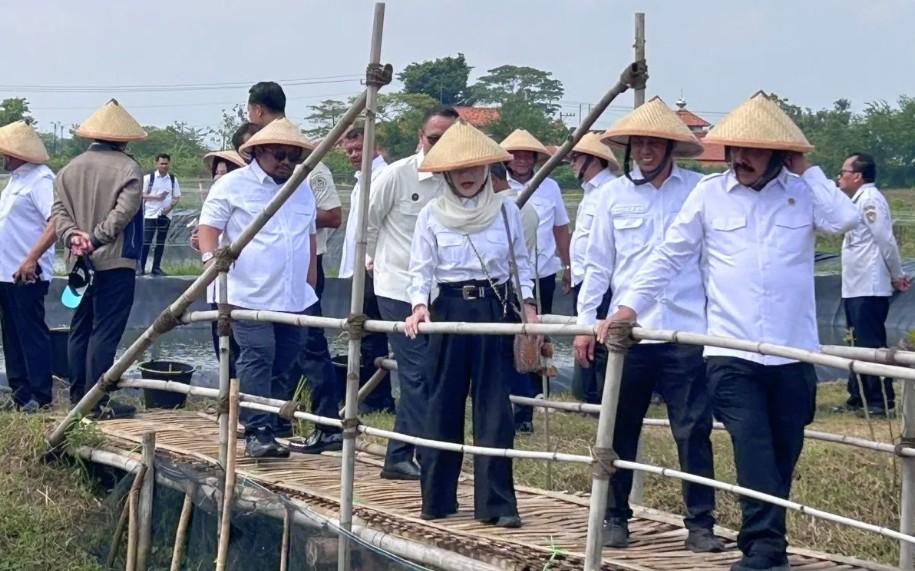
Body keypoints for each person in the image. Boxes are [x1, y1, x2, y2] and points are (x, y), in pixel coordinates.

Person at [606, 92, 859, 571]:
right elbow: (670, 254)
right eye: (734, 150)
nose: (740, 159)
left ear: (779, 155)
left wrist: (807, 168)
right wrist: (627, 307)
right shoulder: (709, 195)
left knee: (785, 449)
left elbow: (844, 220)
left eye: (753, 150)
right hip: (731, 349)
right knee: (752, 444)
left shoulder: (803, 193)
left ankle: (768, 542)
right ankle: (763, 549)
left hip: (792, 351)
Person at [572, 97, 722, 552]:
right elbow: (597, 266)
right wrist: (585, 322)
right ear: (628, 147)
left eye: (654, 142)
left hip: (684, 329)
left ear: (671, 146)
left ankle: (700, 525)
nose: (646, 150)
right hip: (627, 333)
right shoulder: (612, 196)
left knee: (693, 429)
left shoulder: (698, 191)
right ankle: (615, 517)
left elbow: (710, 262)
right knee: (619, 428)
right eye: (638, 142)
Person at [404, 120, 538, 529]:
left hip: (493, 310)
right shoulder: (431, 214)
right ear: (445, 173)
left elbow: (521, 264)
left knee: (495, 409)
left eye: (475, 169)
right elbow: (420, 269)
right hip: (446, 311)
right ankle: (438, 500)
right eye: (459, 170)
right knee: (441, 404)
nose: (467, 177)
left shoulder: (505, 210)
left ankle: (497, 505)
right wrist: (418, 306)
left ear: (486, 172)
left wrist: (529, 308)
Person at [198, 118, 329, 458]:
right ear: (256, 152)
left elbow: (309, 240)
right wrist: (212, 263)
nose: (286, 161)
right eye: (278, 155)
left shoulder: (301, 189)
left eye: (293, 156)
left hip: (292, 295)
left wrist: (310, 285)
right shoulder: (232, 185)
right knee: (258, 354)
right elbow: (208, 228)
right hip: (246, 291)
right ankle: (259, 432)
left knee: (285, 358)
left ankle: (262, 419)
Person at [244, 82, 345, 448]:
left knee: (310, 347)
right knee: (279, 352)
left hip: (304, 269)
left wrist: (286, 216)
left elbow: (333, 215)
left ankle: (328, 425)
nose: (284, 160)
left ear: (256, 110)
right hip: (269, 275)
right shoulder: (259, 170)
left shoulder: (307, 168)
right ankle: (276, 422)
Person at [364, 105, 458, 480]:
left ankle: (408, 452)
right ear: (421, 137)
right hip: (397, 287)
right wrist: (372, 260)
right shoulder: (397, 176)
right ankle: (406, 455)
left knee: (435, 373)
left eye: (449, 140)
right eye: (434, 138)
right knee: (418, 373)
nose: (439, 146)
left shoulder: (459, 179)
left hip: (439, 291)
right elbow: (367, 223)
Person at [52, 99, 147, 419]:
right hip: (114, 260)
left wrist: (73, 238)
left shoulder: (68, 169)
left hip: (78, 262)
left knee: (80, 326)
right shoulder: (129, 168)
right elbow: (124, 212)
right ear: (122, 138)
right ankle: (97, 401)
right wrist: (95, 239)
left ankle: (78, 396)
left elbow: (59, 213)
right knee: (105, 330)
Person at [500, 129, 571, 432]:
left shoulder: (550, 187)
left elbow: (560, 228)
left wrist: (568, 265)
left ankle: (531, 401)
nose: (521, 160)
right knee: (506, 338)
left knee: (535, 336)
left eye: (528, 155)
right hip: (505, 275)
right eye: (516, 154)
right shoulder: (497, 188)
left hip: (540, 271)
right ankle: (508, 401)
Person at [836, 151, 908, 417]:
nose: (839, 177)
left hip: (869, 283)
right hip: (855, 285)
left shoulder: (869, 200)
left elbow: (885, 240)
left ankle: (879, 400)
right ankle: (858, 396)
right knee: (854, 342)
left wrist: (896, 274)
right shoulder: (855, 201)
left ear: (858, 175)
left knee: (870, 344)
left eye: (843, 172)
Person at [336, 125, 393, 414]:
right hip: (358, 266)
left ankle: (377, 397)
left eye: (359, 148)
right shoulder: (362, 180)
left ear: (376, 147)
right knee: (367, 332)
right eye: (350, 150)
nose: (354, 154)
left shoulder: (384, 177)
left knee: (372, 332)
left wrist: (371, 258)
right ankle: (374, 394)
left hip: (373, 266)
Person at [0, 121, 56, 412]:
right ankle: (20, 392)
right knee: (11, 334)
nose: (3, 157)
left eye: (6, 152)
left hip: (27, 271)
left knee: (31, 333)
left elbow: (56, 221)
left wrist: (32, 257)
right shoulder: (16, 180)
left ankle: (40, 395)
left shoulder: (41, 180)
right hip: (5, 272)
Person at [568, 133, 618, 405]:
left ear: (593, 160)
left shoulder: (609, 191)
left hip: (599, 278)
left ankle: (599, 398)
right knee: (588, 337)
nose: (572, 163)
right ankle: (589, 396)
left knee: (600, 339)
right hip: (582, 276)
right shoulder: (590, 192)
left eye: (576, 158)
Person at [139, 153, 181, 276]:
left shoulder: (173, 179)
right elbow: (140, 194)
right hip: (150, 214)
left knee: (160, 242)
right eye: (161, 163)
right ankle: (141, 267)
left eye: (166, 163)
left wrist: (168, 208)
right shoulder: (149, 178)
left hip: (165, 215)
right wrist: (155, 197)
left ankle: (156, 267)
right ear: (156, 164)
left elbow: (177, 196)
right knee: (146, 241)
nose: (164, 166)